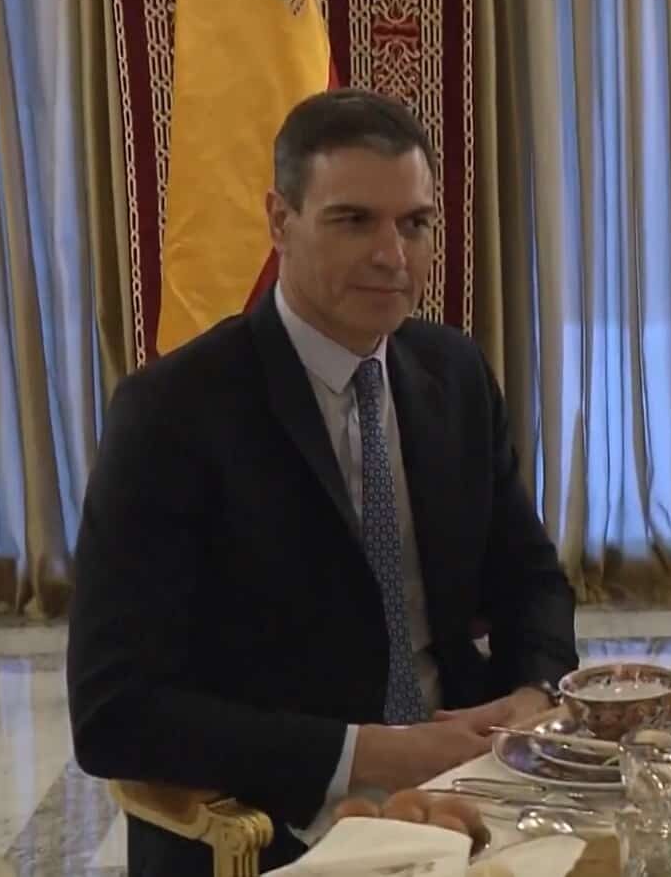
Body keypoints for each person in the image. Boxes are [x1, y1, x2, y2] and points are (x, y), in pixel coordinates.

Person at [67, 88, 579, 875]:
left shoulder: (455, 374)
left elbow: (533, 581)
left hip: (471, 788)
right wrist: (367, 755)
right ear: (280, 221)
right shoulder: (172, 412)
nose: (393, 255)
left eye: (415, 223)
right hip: (279, 819)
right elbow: (113, 711)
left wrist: (534, 695)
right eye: (353, 220)